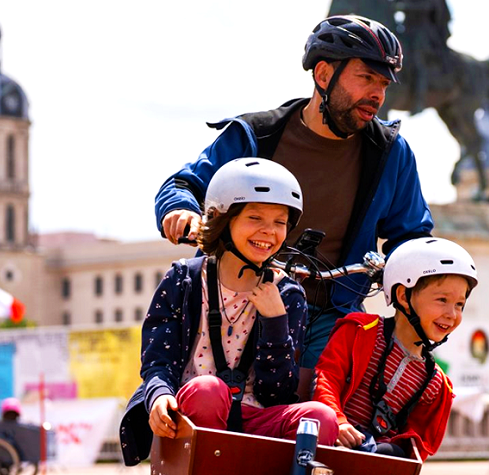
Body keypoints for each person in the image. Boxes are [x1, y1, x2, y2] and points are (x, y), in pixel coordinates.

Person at [155, 15, 433, 371]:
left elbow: (411, 236)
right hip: (239, 296)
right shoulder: (257, 135)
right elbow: (185, 185)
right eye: (365, 78)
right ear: (323, 76)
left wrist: (414, 278)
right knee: (205, 395)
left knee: (323, 405)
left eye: (383, 83)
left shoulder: (392, 153)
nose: (377, 94)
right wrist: (182, 211)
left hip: (331, 313)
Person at [120, 159, 337, 466]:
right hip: (194, 415)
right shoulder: (184, 280)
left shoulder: (288, 295)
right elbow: (158, 362)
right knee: (208, 390)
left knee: (319, 418)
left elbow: (277, 394)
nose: (268, 231)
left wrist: (275, 322)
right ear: (224, 220)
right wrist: (159, 397)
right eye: (255, 217)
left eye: (280, 222)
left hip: (257, 419)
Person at [313, 237, 478, 461]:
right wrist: (338, 422)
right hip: (331, 442)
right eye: (442, 300)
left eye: (459, 304)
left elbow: (415, 447)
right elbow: (327, 380)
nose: (452, 314)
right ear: (403, 296)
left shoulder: (436, 384)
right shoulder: (360, 331)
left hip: (376, 458)